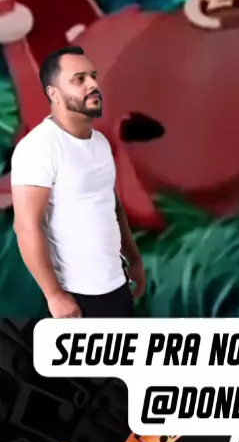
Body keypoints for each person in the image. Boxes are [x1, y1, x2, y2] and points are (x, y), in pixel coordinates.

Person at [10, 46, 146, 319]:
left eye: (93, 76)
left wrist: (134, 261)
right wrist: (54, 295)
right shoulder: (38, 147)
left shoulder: (100, 142)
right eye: (79, 79)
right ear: (54, 94)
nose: (93, 84)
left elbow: (111, 207)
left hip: (117, 284)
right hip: (76, 297)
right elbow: (26, 226)